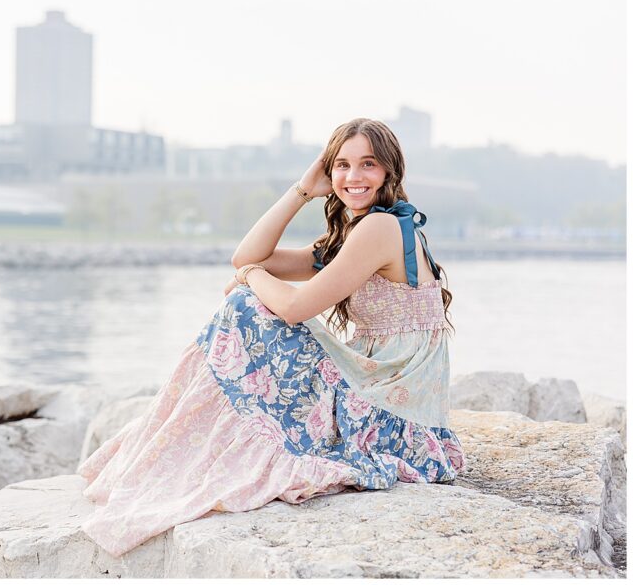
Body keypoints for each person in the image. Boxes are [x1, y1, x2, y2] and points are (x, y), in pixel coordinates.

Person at [77, 117, 467, 557]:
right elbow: (245, 255)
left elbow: (294, 305)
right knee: (245, 300)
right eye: (341, 165)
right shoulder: (357, 231)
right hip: (383, 389)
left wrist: (249, 278)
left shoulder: (380, 229)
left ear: (389, 172)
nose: (353, 177)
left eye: (368, 165)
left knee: (243, 305)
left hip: (389, 405)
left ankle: (179, 447)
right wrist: (301, 190)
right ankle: (180, 447)